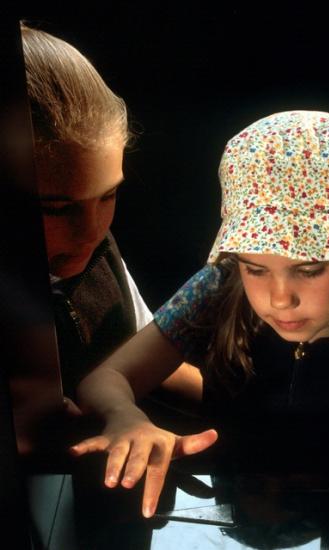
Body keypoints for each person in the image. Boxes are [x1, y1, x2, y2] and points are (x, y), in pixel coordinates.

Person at [70, 110, 329, 518]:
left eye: (309, 269)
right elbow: (107, 377)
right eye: (255, 268)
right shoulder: (220, 282)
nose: (279, 298)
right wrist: (126, 416)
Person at [20, 22, 200, 407]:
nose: (91, 233)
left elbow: (143, 356)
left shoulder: (98, 251)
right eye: (55, 207)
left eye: (108, 196)